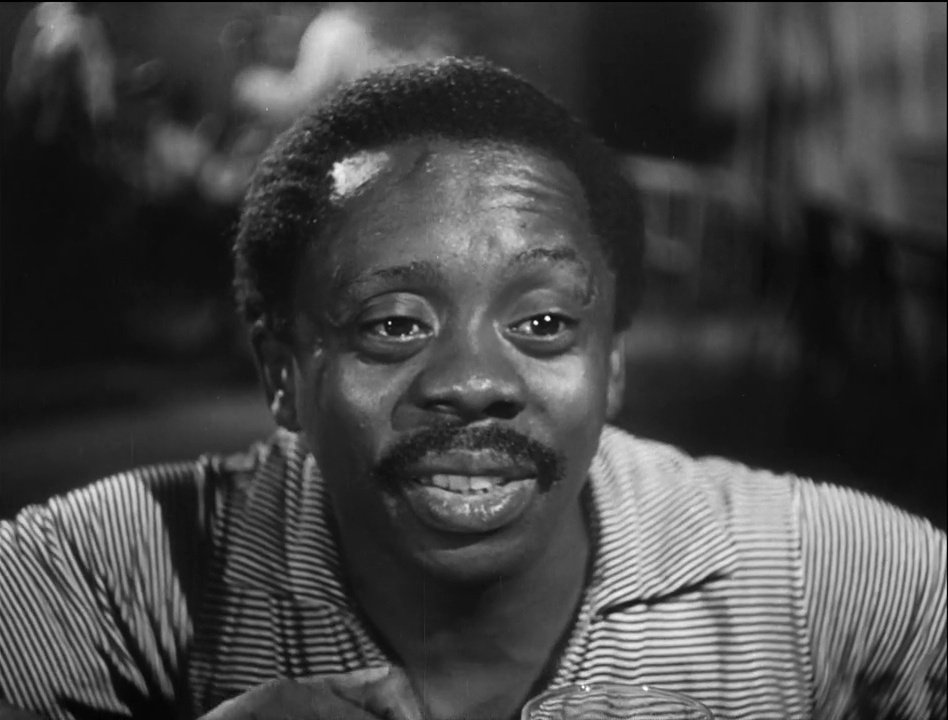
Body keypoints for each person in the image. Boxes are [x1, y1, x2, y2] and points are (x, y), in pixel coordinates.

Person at [0, 58, 944, 720]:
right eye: (393, 324)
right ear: (281, 373)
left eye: (544, 323)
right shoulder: (115, 571)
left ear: (612, 363)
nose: (475, 383)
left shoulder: (816, 576)